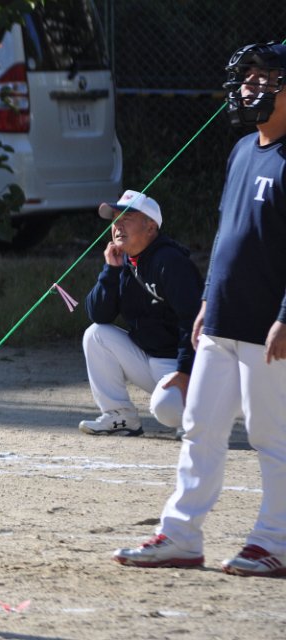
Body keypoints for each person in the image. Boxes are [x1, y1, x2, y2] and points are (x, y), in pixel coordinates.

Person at [113, 42, 286, 576]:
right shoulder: (242, 150)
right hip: (222, 320)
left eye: (264, 77)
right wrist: (209, 296)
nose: (250, 87)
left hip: (268, 327)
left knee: (271, 436)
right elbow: (226, 233)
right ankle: (181, 536)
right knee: (199, 427)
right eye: (247, 77)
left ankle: (275, 541)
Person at [79, 190, 204, 438]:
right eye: (115, 219)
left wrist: (184, 371)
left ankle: (197, 416)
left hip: (183, 366)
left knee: (166, 409)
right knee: (96, 335)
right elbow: (99, 314)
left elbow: (193, 321)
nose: (117, 225)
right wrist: (110, 271)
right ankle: (120, 415)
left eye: (127, 218)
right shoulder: (124, 262)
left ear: (150, 227)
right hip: (150, 360)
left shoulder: (171, 261)